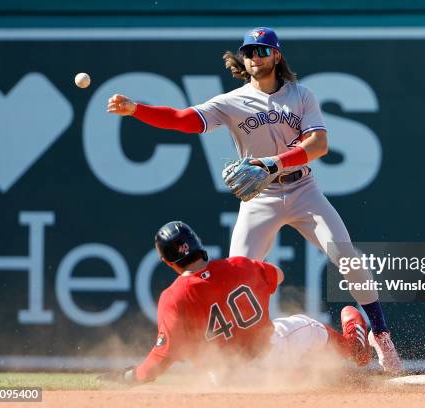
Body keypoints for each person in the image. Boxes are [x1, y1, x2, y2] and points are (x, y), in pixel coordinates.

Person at [107, 27, 401, 372]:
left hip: (303, 190)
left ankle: (380, 334)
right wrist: (136, 109)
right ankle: (237, 360)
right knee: (233, 279)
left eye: (262, 50)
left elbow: (318, 146)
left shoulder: (301, 96)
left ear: (277, 55)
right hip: (260, 197)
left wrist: (272, 162)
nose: (254, 57)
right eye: (248, 51)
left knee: (346, 257)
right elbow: (185, 121)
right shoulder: (231, 102)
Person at [100, 221, 371, 384]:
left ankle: (313, 377)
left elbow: (162, 357)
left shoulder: (172, 297)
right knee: (307, 325)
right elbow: (278, 275)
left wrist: (129, 377)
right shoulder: (240, 266)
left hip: (225, 380)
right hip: (270, 354)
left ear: (166, 261)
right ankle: (356, 349)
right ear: (197, 244)